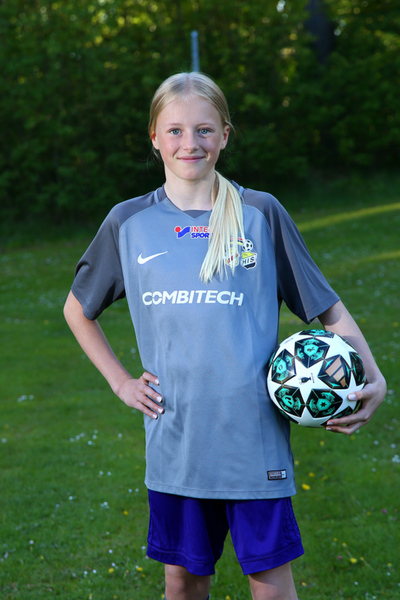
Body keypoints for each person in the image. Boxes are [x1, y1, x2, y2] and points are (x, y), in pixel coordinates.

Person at [63, 72, 386, 600]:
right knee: (183, 582)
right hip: (177, 442)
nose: (189, 143)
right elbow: (78, 310)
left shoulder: (260, 214)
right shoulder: (129, 223)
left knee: (271, 584)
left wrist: (374, 378)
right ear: (154, 137)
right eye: (175, 130)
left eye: (204, 130)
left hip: (254, 442)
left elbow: (327, 307)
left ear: (225, 135)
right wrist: (121, 382)